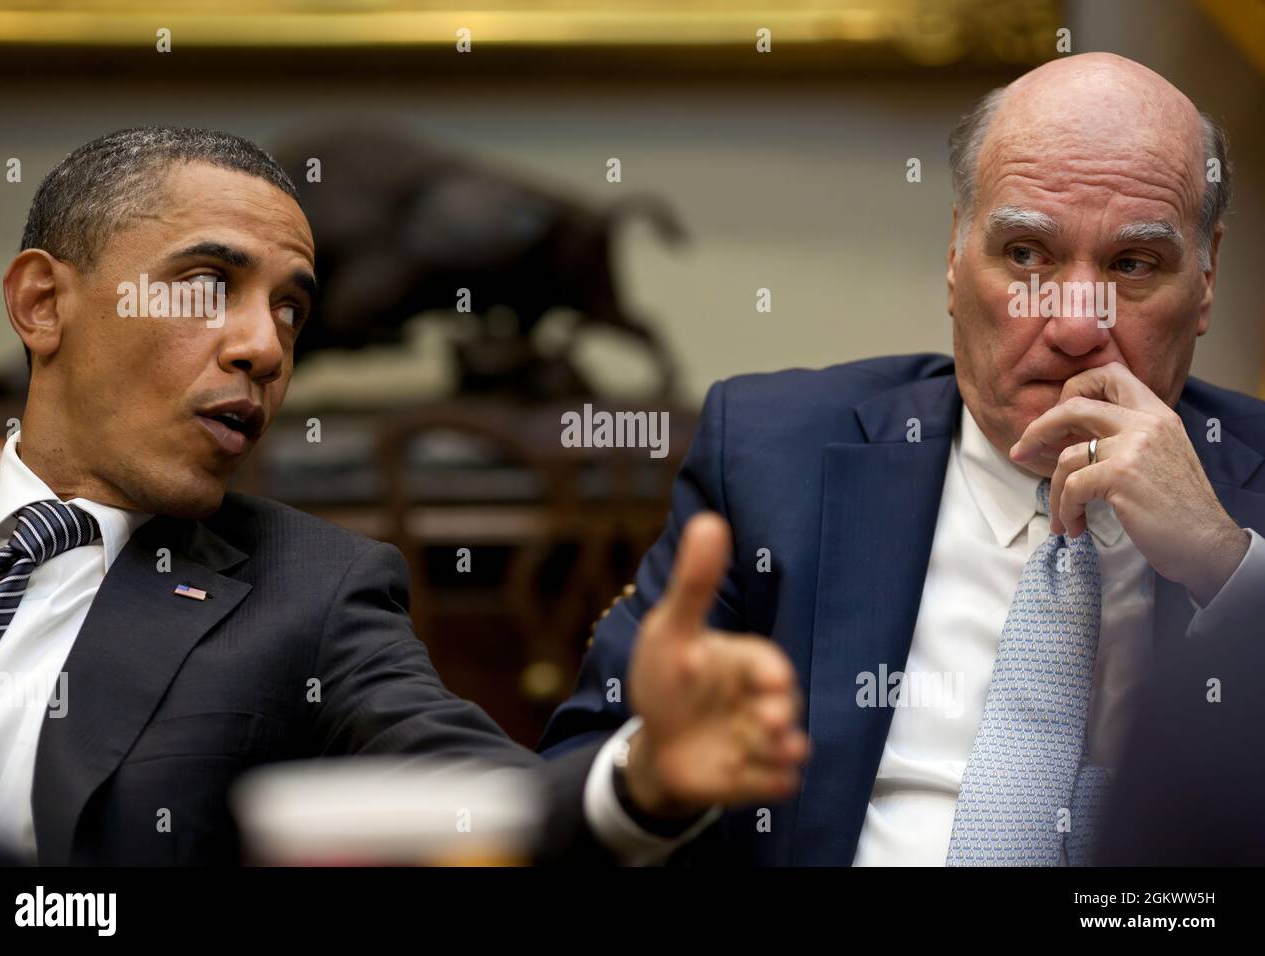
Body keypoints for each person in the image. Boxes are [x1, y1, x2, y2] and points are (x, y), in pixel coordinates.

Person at [0, 127, 807, 865]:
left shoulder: (310, 591)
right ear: (42, 304)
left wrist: (642, 780)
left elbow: (490, 798)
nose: (265, 346)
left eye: (291, 309)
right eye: (209, 284)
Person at [541, 52, 1265, 866]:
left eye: (1133, 265)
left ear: (1205, 281)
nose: (1072, 324)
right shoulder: (772, 455)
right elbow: (564, 798)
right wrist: (651, 780)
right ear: (956, 258)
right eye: (1026, 254)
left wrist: (1226, 569)